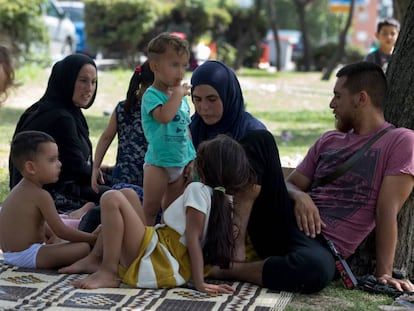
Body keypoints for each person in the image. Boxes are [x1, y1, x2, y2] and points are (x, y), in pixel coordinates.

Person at [205, 61, 414, 294]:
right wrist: (300, 197)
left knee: (316, 270)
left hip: (322, 247)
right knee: (260, 140)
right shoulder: (329, 140)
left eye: (337, 96)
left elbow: (387, 210)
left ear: (361, 99)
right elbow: (291, 184)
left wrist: (384, 273)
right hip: (283, 222)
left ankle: (228, 271)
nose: (331, 104)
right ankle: (237, 248)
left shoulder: (401, 141)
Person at [59, 135, 253, 294]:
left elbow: (193, 240)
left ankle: (108, 271)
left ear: (202, 167)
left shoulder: (198, 190)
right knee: (128, 195)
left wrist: (199, 283)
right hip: (164, 250)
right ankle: (95, 258)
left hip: (160, 259)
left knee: (111, 198)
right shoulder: (223, 200)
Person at [9, 54, 111, 222]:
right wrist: (114, 180)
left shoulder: (45, 108)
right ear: (67, 80)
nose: (89, 89)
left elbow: (75, 161)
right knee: (118, 197)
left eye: (93, 82)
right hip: (49, 197)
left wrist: (106, 171)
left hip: (41, 191)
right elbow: (76, 168)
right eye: (83, 81)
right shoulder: (61, 118)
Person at [190, 60, 267, 261]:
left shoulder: (252, 133)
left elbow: (252, 188)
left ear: (228, 95)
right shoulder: (193, 128)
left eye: (212, 99)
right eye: (197, 99)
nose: (203, 108)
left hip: (242, 223)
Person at [0, 131, 98, 269]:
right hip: (27, 256)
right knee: (83, 248)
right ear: (31, 167)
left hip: (12, 255)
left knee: (63, 242)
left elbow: (43, 225)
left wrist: (53, 237)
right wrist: (92, 238)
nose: (59, 164)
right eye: (52, 160)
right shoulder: (40, 195)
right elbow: (62, 231)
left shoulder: (20, 190)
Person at [141, 32, 196, 225]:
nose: (180, 72)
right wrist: (178, 95)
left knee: (172, 212)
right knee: (150, 209)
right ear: (155, 66)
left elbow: (185, 128)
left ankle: (164, 247)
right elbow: (164, 117)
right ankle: (144, 245)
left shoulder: (178, 98)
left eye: (184, 66)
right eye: (174, 65)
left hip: (180, 162)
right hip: (158, 163)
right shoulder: (152, 95)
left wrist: (191, 157)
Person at [92, 61, 154, 197]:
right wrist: (96, 166)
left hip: (142, 178)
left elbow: (106, 137)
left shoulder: (158, 112)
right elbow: (106, 137)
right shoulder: (125, 108)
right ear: (143, 85)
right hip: (130, 177)